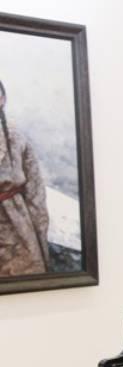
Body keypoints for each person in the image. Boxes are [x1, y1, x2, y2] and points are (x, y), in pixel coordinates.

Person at [0, 79, 49, 277]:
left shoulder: (17, 138)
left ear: (3, 99)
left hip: (17, 225)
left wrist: (40, 234)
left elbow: (35, 192)